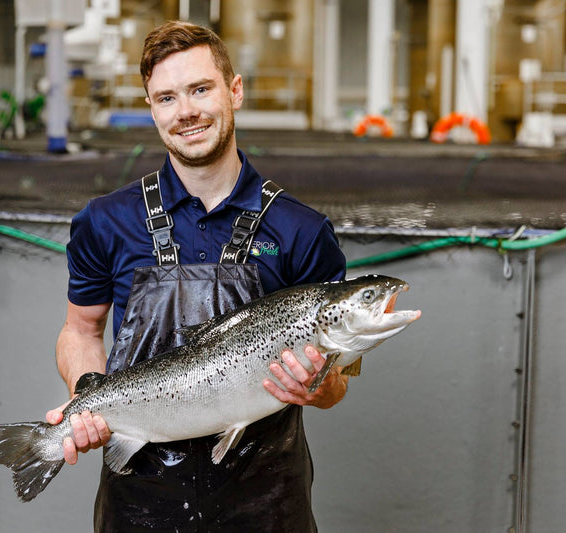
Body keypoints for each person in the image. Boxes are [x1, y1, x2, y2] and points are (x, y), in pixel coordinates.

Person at [46, 20, 348, 532]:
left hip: (269, 505)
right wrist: (89, 399)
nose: (185, 112)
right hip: (138, 505)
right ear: (151, 108)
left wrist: (319, 387)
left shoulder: (302, 230)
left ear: (235, 91)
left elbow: (339, 381)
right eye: (166, 98)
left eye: (200, 90)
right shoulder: (106, 220)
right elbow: (80, 330)